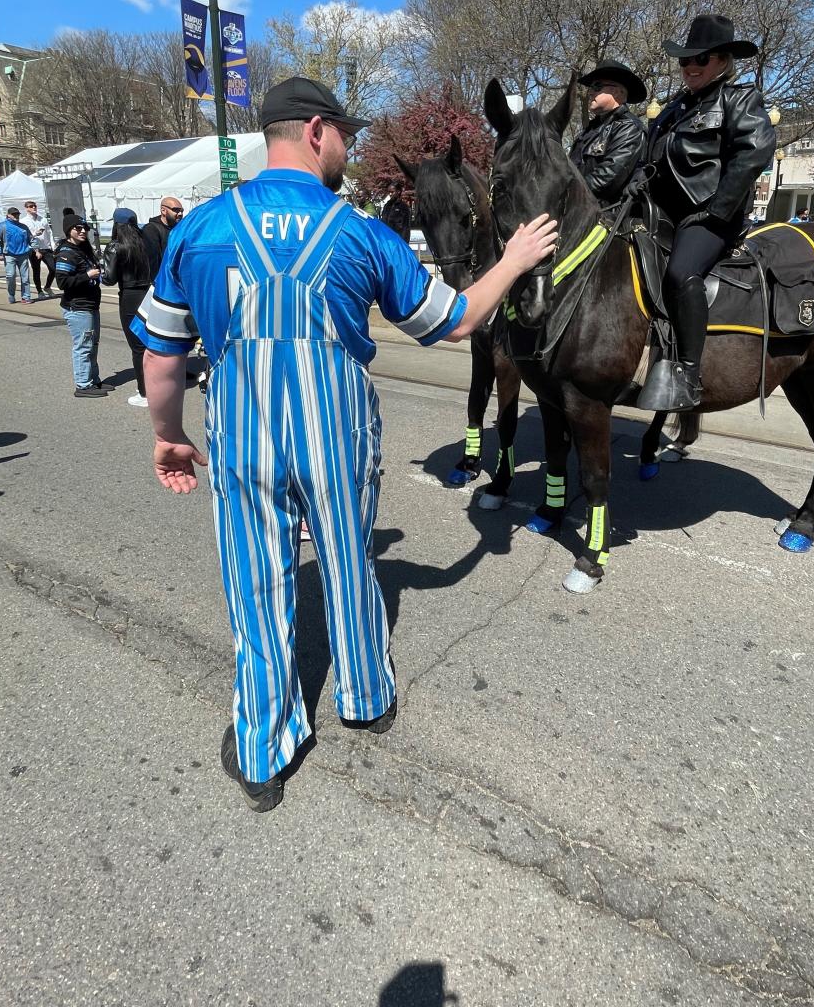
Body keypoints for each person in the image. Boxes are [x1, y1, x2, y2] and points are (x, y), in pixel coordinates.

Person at [132, 75, 557, 813]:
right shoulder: (361, 232)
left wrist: (167, 437)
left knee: (257, 582)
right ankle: (366, 696)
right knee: (350, 561)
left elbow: (162, 358)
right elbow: (453, 321)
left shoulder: (198, 229)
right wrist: (514, 261)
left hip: (243, 429)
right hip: (338, 427)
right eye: (348, 137)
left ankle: (265, 744)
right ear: (318, 130)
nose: (351, 151)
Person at [640, 14, 775, 412]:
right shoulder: (673, 109)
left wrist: (716, 210)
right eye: (685, 60)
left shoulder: (739, 99)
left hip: (710, 215)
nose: (690, 67)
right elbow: (650, 159)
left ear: (723, 60)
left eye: (700, 59)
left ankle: (688, 373)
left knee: (682, 272)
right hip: (662, 213)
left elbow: (755, 154)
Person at [101, 207, 161, 407]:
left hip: (130, 296)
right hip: (151, 294)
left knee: (137, 347)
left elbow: (108, 278)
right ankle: (157, 386)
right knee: (152, 343)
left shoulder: (116, 246)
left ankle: (145, 393)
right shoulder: (148, 242)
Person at [569, 60, 648, 206]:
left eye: (597, 86)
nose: (590, 92)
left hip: (607, 215)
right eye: (590, 87)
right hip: (578, 209)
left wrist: (568, 193)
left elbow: (607, 177)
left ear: (617, 92)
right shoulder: (590, 129)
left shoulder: (629, 127)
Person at [55, 214, 111, 398]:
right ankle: (83, 384)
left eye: (84, 228)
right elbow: (62, 282)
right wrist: (87, 275)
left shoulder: (82, 249)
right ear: (68, 231)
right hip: (78, 307)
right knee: (83, 346)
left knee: (92, 344)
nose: (82, 231)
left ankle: (93, 380)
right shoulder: (66, 252)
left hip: (90, 305)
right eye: (77, 228)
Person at [0, 206, 34, 304]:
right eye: (14, 214)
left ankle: (26, 297)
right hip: (9, 255)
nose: (16, 216)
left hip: (23, 254)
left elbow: (31, 238)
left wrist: (35, 249)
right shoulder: (1, 226)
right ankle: (11, 295)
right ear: (8, 215)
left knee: (25, 277)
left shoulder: (23, 227)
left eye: (17, 214)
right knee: (10, 275)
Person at [23, 200, 57, 299]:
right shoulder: (24, 221)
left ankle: (47, 286)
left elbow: (50, 233)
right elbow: (26, 236)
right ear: (26, 208)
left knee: (53, 268)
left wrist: (53, 245)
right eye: (31, 206)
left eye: (34, 206)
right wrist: (35, 234)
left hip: (46, 248)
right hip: (34, 249)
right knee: (36, 270)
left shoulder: (43, 219)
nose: (33, 207)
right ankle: (39, 291)